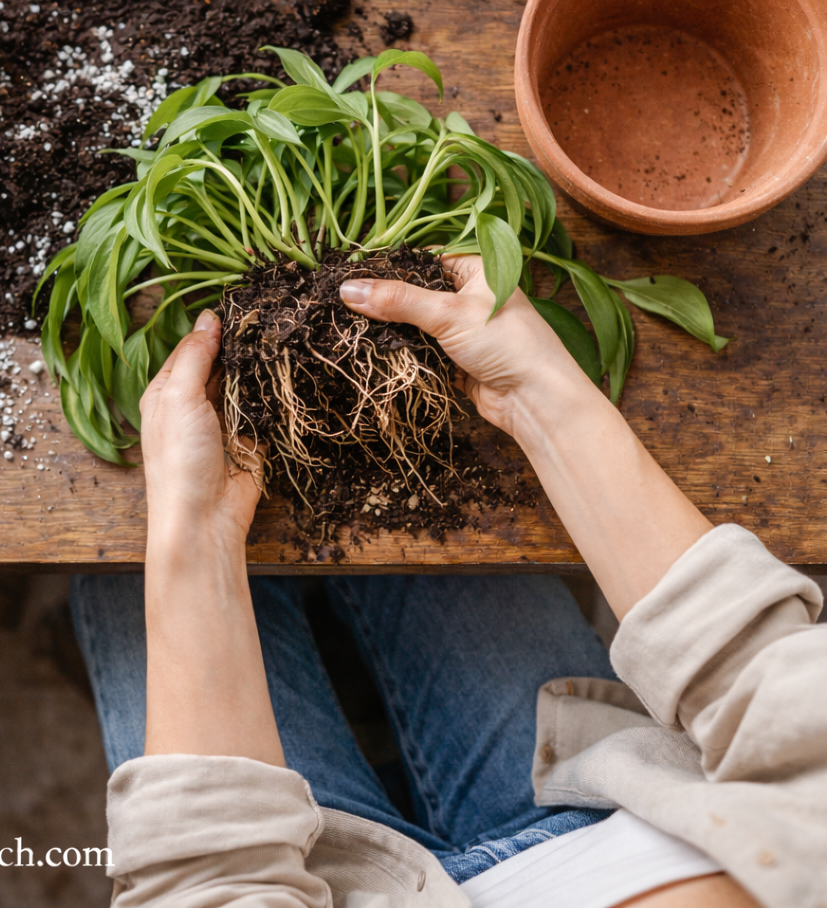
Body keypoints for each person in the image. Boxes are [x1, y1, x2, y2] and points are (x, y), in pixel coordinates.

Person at [71, 255, 826, 908]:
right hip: (611, 796)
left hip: (325, 884)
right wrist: (534, 393)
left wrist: (199, 538)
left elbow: (205, 884)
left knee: (114, 566)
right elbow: (782, 698)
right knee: (416, 484)